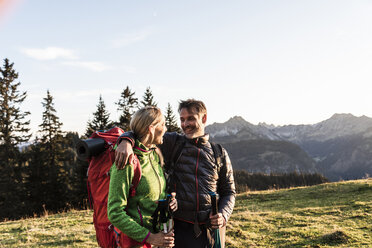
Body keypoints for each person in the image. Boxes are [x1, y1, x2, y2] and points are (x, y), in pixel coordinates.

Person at [115, 99, 236, 248]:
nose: (185, 124)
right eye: (182, 119)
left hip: (210, 231)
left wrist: (223, 215)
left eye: (191, 118)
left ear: (204, 118)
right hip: (178, 231)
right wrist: (125, 140)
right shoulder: (173, 142)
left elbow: (229, 191)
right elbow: (143, 132)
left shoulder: (219, 153)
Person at [107, 106, 177, 248]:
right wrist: (149, 238)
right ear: (151, 128)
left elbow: (153, 192)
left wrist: (170, 199)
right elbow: (114, 213)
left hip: (157, 238)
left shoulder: (154, 154)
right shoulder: (126, 161)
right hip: (136, 243)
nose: (165, 129)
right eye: (162, 124)